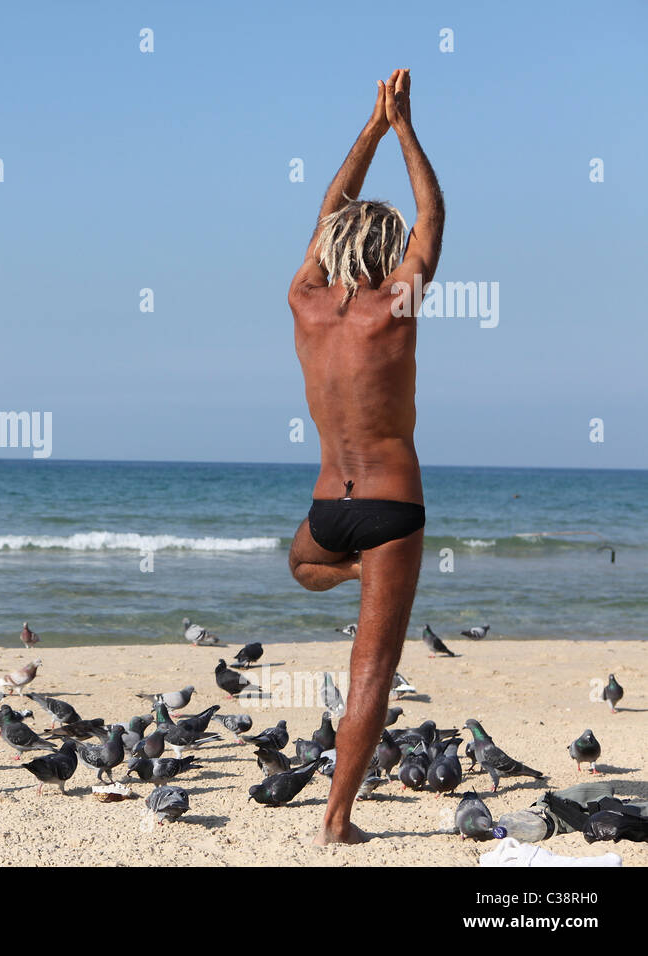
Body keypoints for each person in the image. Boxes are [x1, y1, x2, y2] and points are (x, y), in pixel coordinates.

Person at [286, 69, 444, 845]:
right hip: (390, 509)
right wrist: (406, 128)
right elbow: (430, 214)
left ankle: (354, 571)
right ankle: (338, 821)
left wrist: (371, 128)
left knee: (301, 563)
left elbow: (328, 213)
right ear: (385, 252)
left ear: (331, 246)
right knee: (370, 674)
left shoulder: (304, 302)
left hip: (330, 508)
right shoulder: (399, 306)